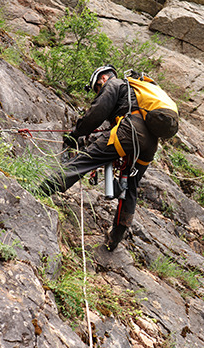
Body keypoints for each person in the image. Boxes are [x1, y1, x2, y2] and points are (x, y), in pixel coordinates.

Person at [39, 65, 158, 251]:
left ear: (102, 78)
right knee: (131, 187)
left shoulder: (115, 83)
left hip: (129, 132)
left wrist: (76, 134)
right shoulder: (137, 95)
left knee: (86, 159)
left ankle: (40, 191)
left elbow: (97, 112)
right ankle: (115, 238)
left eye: (97, 89)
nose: (98, 91)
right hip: (150, 144)